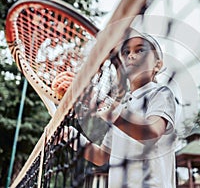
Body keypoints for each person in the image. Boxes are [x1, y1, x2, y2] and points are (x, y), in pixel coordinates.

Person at [52, 28, 177, 188]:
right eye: (125, 52)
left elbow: (151, 132)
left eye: (140, 50)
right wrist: (70, 135)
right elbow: (100, 157)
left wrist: (98, 100)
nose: (131, 55)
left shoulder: (160, 93)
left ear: (157, 65)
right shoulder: (124, 110)